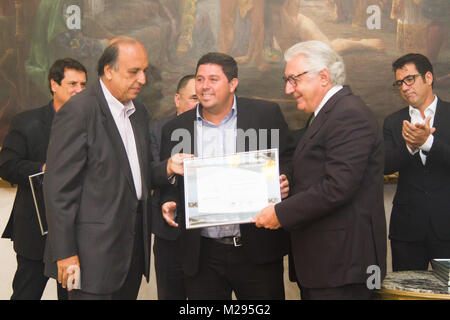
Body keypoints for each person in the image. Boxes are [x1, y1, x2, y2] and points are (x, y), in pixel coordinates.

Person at [42, 36, 188, 300]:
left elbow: (133, 176)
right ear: (108, 71)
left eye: (145, 71)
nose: (143, 79)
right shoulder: (79, 111)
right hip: (88, 258)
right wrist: (64, 253)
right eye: (134, 72)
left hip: (130, 255)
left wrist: (166, 168)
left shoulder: (139, 112)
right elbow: (57, 191)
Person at [254, 40, 387, 300]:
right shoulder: (326, 114)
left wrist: (280, 213)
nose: (288, 89)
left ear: (323, 76)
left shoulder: (348, 114)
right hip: (326, 264)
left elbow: (338, 186)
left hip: (343, 265)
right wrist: (287, 181)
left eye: (293, 79)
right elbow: (315, 170)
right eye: (286, 80)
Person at [159, 52, 295, 300]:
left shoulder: (265, 115)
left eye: (213, 79)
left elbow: (289, 158)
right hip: (202, 255)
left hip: (257, 251)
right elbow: (170, 183)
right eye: (200, 79)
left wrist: (284, 179)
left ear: (233, 84)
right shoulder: (176, 128)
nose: (204, 86)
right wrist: (168, 202)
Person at [0, 58, 87, 300]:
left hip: (75, 233)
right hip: (34, 231)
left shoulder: (93, 125)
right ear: (54, 84)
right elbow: (6, 166)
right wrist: (44, 168)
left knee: (72, 297)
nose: (79, 90)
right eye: (72, 84)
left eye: (83, 84)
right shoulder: (26, 122)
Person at [384, 53, 450, 271]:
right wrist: (410, 146)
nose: (404, 87)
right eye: (400, 83)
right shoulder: (393, 121)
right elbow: (385, 165)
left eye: (409, 79)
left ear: (428, 78)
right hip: (407, 228)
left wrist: (428, 143)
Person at [150, 74, 197, 300]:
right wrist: (169, 172)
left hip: (204, 240)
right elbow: (149, 172)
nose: (199, 104)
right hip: (170, 234)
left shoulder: (211, 128)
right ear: (177, 99)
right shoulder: (157, 130)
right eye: (193, 98)